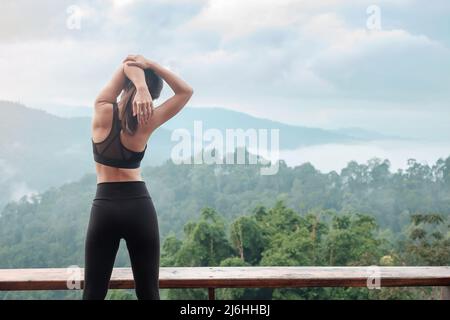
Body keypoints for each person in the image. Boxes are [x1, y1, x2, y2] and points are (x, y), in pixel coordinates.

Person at [83, 54, 193, 300]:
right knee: (148, 292)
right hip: (139, 207)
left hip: (104, 208)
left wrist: (139, 84)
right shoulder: (148, 120)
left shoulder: (102, 108)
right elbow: (185, 92)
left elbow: (126, 64)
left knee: (93, 292)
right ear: (152, 97)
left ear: (125, 85)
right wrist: (151, 67)